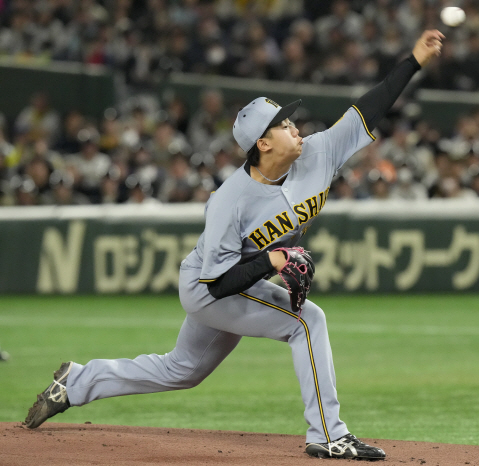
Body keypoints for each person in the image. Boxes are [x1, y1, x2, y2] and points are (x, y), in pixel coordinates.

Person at [24, 30, 445, 460]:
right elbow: (221, 284)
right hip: (209, 285)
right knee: (306, 322)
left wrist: (413, 59)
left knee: (182, 370)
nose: (294, 126)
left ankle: (76, 381)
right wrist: (274, 259)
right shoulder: (230, 200)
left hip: (238, 279)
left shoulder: (319, 153)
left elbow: (368, 109)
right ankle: (328, 433)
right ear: (263, 144)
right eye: (282, 125)